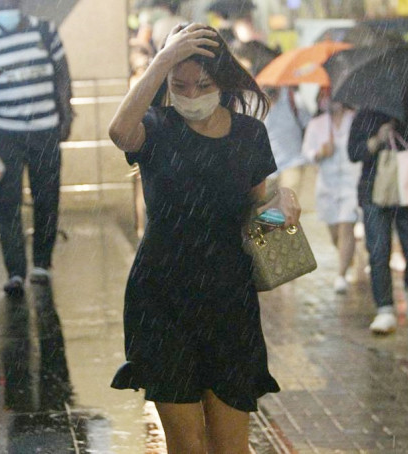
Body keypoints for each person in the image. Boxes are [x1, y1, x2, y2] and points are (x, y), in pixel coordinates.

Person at [108, 23, 301, 452]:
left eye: (204, 84)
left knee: (230, 446)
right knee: (187, 445)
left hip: (229, 301)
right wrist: (162, 58)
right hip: (161, 298)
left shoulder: (249, 134)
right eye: (180, 85)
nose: (192, 95)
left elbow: (256, 216)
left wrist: (281, 207)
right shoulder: (156, 127)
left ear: (223, 82)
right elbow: (120, 131)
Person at [0, 0, 74, 296]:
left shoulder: (45, 32)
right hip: (6, 134)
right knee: (8, 203)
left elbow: (62, 73)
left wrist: (66, 113)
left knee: (47, 196)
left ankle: (41, 263)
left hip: (45, 129)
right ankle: (15, 271)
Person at [348, 110, 408, 334]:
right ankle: (385, 308)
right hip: (374, 193)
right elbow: (354, 152)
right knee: (378, 252)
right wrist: (377, 140)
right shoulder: (365, 116)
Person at [302, 89, 360, 294]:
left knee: (346, 225)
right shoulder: (317, 124)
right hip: (327, 184)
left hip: (352, 182)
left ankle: (341, 275)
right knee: (335, 232)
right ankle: (349, 256)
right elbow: (307, 153)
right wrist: (320, 152)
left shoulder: (355, 120)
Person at [263, 87, 310, 195]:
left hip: (292, 163)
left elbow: (309, 125)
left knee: (288, 204)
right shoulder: (257, 103)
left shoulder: (293, 99)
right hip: (268, 171)